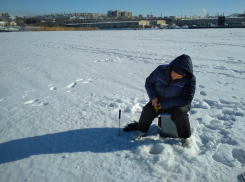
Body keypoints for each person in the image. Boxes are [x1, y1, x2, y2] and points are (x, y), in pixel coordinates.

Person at [124, 54, 196, 141]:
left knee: (180, 113)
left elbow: (186, 99)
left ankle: (185, 138)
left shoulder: (190, 79)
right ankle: (141, 130)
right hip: (160, 100)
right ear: (172, 68)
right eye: (175, 73)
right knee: (148, 109)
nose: (176, 77)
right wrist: (153, 97)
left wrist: (164, 104)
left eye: (180, 76)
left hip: (179, 104)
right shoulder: (161, 70)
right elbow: (149, 82)